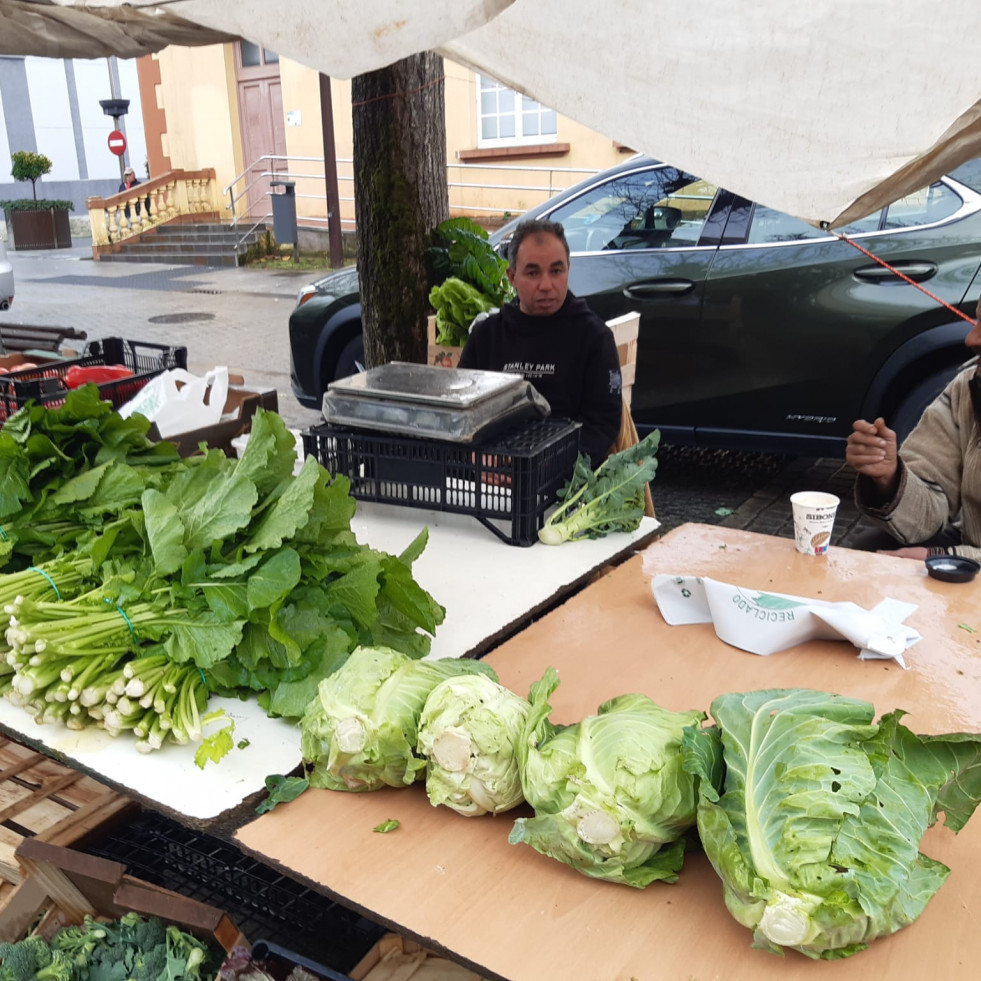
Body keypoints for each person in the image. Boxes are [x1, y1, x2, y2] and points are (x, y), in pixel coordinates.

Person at [457, 218, 623, 465]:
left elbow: (601, 426)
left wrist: (542, 469)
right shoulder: (486, 336)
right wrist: (481, 463)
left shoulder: (594, 338)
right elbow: (462, 416)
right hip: (491, 476)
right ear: (512, 277)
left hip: (564, 483)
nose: (546, 285)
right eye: (533, 273)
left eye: (556, 271)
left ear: (568, 269)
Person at [845, 296, 981, 561]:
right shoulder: (967, 388)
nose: (972, 339)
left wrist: (947, 556)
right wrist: (890, 477)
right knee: (871, 549)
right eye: (978, 320)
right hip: (971, 543)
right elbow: (929, 502)